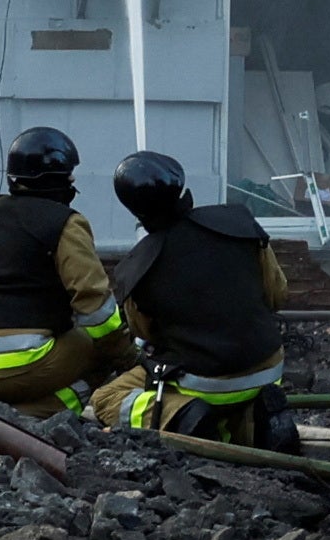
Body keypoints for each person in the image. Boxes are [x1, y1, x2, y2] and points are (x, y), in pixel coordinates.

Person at [88, 149, 296, 446]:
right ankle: (256, 423)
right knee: (227, 408)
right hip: (268, 371)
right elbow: (277, 294)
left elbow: (145, 334)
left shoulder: (135, 268)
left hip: (202, 384)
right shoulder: (240, 224)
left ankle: (181, 416)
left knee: (107, 398)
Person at [0, 125, 132, 412]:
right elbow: (93, 303)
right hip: (22, 361)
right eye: (69, 176)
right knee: (95, 341)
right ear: (53, 177)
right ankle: (55, 409)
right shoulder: (65, 223)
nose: (73, 182)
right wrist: (128, 355)